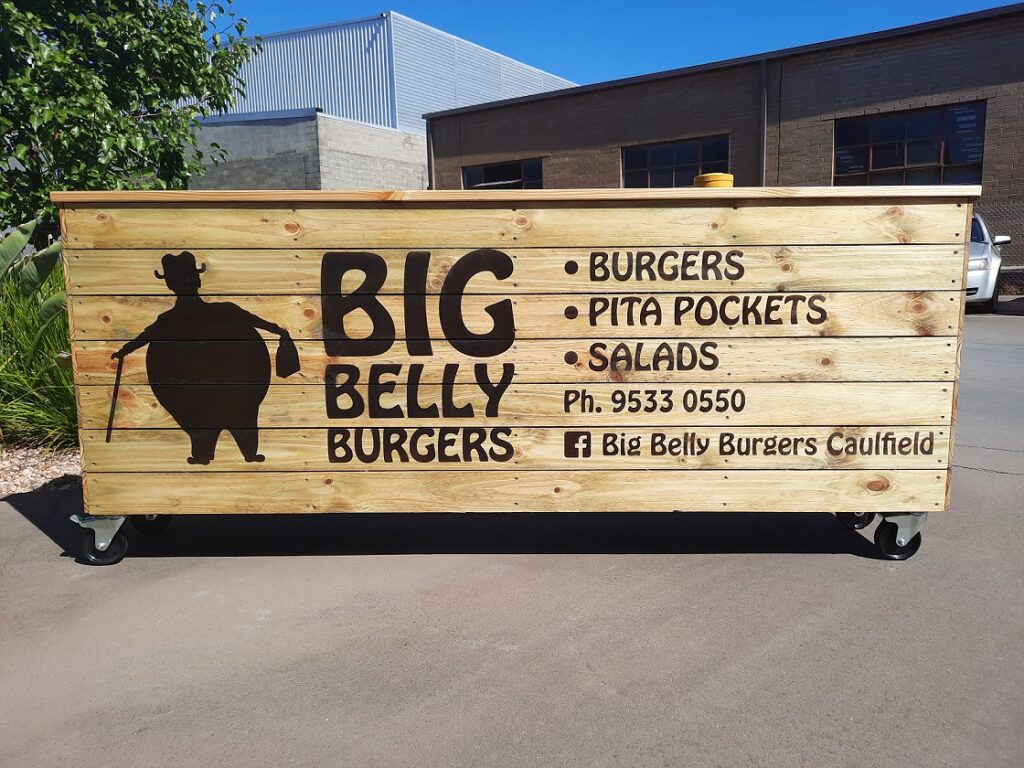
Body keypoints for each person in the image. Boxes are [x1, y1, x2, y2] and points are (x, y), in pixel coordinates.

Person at [112, 251, 298, 464]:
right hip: (223, 389)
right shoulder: (215, 313)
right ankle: (236, 452)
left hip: (218, 389)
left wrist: (125, 350)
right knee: (227, 414)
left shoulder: (173, 320)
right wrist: (278, 331)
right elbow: (256, 321)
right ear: (198, 280)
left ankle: (217, 452)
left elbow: (146, 336)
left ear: (170, 285)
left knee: (216, 415)